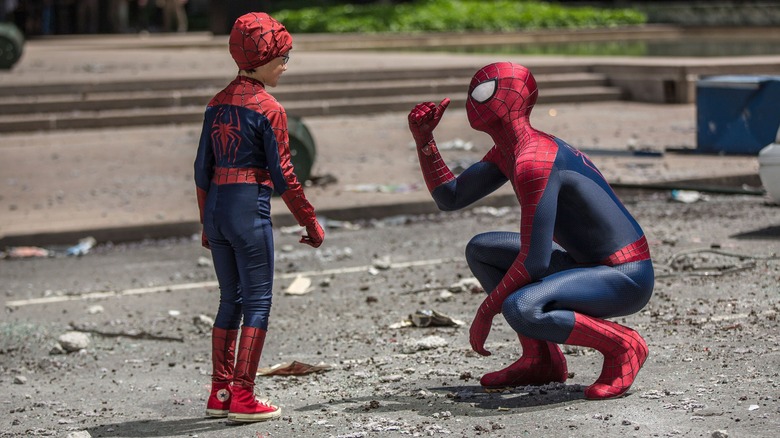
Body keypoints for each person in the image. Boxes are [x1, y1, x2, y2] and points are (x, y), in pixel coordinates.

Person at [407, 62, 654, 400]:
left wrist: (486, 311)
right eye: (472, 92)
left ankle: (623, 346)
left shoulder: (533, 160)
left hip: (625, 275)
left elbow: (534, 260)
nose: (472, 103)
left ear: (513, 98)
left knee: (522, 307)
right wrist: (425, 140)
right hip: (586, 266)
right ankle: (541, 359)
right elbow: (451, 197)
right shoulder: (508, 151)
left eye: (483, 92)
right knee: (482, 249)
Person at [193, 12, 324, 422]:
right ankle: (244, 397)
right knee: (258, 303)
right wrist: (310, 222)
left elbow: (201, 168)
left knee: (228, 299)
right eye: (283, 57)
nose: (285, 65)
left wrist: (204, 223)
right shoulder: (269, 108)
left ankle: (220, 392)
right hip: (248, 206)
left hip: (216, 207)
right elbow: (285, 176)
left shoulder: (217, 103)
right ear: (265, 59)